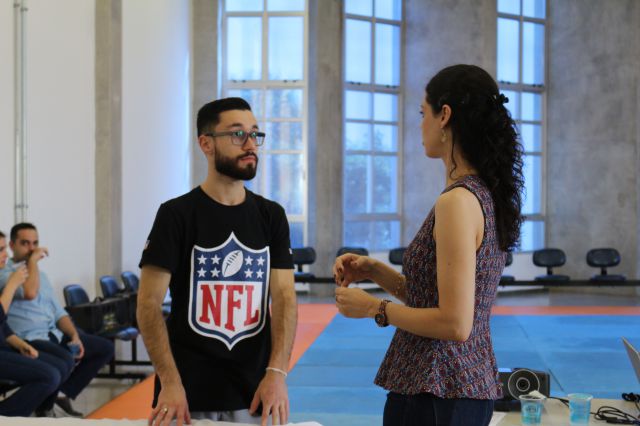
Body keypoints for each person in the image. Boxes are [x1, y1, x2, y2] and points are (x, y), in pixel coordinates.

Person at [333, 64, 524, 426]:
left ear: (444, 116)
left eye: (423, 113)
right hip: (456, 386)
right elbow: (437, 300)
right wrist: (375, 271)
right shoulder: (482, 193)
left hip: (438, 389)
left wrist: (375, 308)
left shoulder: (457, 201)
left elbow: (454, 323)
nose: (420, 125)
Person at [137, 97, 297, 426]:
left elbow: (284, 298)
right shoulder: (176, 215)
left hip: (256, 392)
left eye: (255, 134)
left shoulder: (271, 216)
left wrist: (277, 373)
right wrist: (169, 382)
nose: (250, 144)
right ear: (206, 143)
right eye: (237, 134)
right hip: (187, 394)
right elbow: (148, 304)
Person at [0, 223, 115, 418]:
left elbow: (58, 312)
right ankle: (23, 413)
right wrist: (22, 274)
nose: (32, 249)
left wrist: (74, 335)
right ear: (13, 245)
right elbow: (29, 292)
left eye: (35, 243)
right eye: (25, 243)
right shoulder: (6, 273)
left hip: (45, 333)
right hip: (30, 336)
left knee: (100, 348)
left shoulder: (40, 276)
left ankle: (56, 399)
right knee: (55, 370)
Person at [0, 230, 73, 417]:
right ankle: (7, 415)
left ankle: (42, 411)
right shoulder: (7, 276)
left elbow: (3, 325)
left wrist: (19, 344)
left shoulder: (35, 275)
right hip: (19, 340)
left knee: (61, 365)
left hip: (9, 344)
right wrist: (11, 286)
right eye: (0, 250)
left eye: (4, 249)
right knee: (49, 375)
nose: (5, 255)